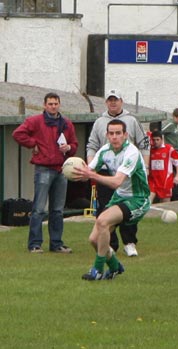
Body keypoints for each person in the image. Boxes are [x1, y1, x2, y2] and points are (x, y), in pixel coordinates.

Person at [74, 119, 150, 280]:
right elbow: (88, 171)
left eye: (118, 133)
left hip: (138, 199)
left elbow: (116, 182)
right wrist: (75, 171)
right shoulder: (104, 150)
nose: (114, 137)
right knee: (94, 240)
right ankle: (115, 267)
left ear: (125, 135)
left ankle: (98, 270)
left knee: (102, 221)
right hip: (119, 197)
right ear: (106, 135)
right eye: (111, 133)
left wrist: (92, 175)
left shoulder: (132, 153)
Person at [86, 89, 149, 257]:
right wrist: (85, 169)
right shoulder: (100, 122)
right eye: (110, 100)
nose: (113, 103)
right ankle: (110, 249)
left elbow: (144, 144)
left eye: (116, 100)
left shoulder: (131, 121)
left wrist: (146, 167)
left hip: (129, 179)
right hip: (107, 173)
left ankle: (129, 243)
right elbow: (92, 145)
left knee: (122, 215)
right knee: (97, 230)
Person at [12, 92, 78, 253]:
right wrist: (33, 143)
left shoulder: (67, 124)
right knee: (39, 209)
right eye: (50, 104)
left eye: (55, 104)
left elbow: (74, 144)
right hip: (43, 169)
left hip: (61, 170)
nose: (53, 106)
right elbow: (17, 134)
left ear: (59, 105)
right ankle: (34, 244)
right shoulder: (35, 121)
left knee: (57, 210)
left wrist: (68, 148)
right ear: (44, 105)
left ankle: (56, 244)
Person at [148, 130, 178, 203]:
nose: (155, 142)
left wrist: (177, 176)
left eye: (157, 139)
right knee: (148, 201)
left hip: (165, 182)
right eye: (154, 140)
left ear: (162, 139)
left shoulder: (169, 149)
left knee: (165, 204)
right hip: (153, 180)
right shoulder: (150, 150)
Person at [162, 108, 178, 200]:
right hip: (173, 152)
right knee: (176, 173)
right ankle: (177, 195)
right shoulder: (171, 125)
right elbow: (160, 131)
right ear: (174, 117)